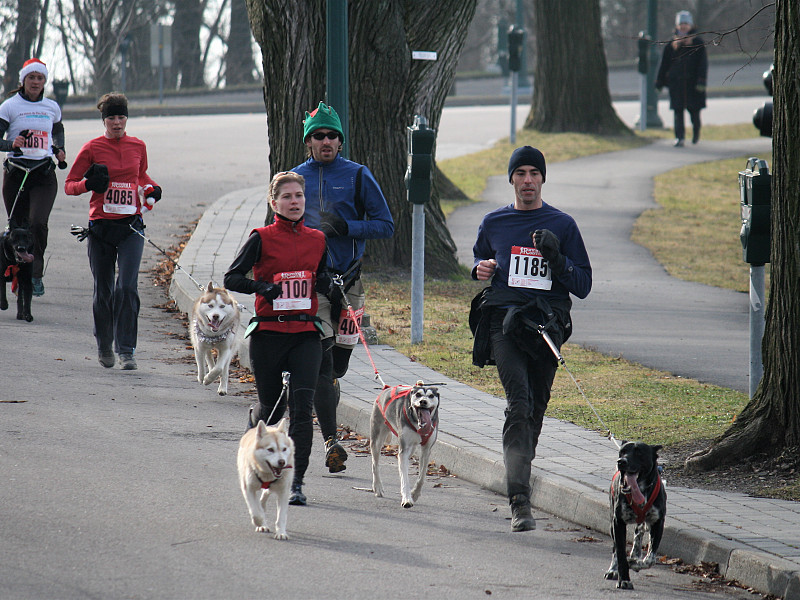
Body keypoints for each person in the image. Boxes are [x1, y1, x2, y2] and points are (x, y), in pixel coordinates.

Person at [469, 146, 592, 532]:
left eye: (533, 173)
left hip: (546, 325)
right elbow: (479, 261)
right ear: (511, 179)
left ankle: (520, 464)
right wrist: (480, 268)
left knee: (537, 403)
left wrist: (557, 258)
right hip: (504, 323)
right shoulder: (495, 222)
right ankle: (519, 498)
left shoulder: (563, 224)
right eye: (519, 173)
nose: (527, 180)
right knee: (518, 401)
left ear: (542, 179)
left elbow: (583, 285)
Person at [292, 101, 394, 473]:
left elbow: (386, 225)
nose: (326, 141)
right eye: (318, 135)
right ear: (308, 141)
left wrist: (346, 227)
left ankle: (315, 393)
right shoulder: (295, 177)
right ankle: (332, 441)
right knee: (319, 361)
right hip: (312, 285)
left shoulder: (357, 174)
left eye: (333, 135)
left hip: (348, 282)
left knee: (338, 367)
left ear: (340, 140)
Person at [224, 171, 331, 507]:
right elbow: (232, 277)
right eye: (287, 197)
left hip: (305, 335)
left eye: (299, 195)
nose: (294, 201)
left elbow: (321, 273)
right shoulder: (261, 237)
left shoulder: (317, 238)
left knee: (301, 411)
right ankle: (254, 438)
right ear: (274, 203)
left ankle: (295, 482)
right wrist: (262, 287)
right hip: (269, 334)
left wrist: (327, 282)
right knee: (271, 410)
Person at [64, 93, 162, 371]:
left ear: (126, 118)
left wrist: (154, 188)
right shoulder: (92, 148)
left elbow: (141, 176)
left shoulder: (138, 145)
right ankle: (104, 344)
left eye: (121, 117)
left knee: (127, 287)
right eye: (111, 118)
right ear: (104, 120)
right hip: (101, 229)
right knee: (104, 291)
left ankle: (127, 350)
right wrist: (88, 184)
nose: (117, 123)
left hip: (131, 226)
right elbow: (70, 184)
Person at [0, 58, 67, 296]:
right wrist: (11, 143)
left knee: (37, 223)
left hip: (43, 173)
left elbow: (57, 131)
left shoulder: (51, 107)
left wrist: (59, 149)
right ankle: (19, 272)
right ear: (23, 80)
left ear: (44, 82)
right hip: (16, 173)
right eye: (32, 78)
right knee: (18, 228)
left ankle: (35, 274)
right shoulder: (10, 106)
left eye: (40, 78)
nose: (36, 82)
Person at [655, 10, 708, 147]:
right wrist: (659, 82)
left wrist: (701, 81)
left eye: (686, 23)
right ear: (677, 26)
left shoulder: (697, 42)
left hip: (693, 84)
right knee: (678, 112)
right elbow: (664, 64)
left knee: (694, 112)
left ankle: (696, 133)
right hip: (676, 84)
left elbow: (703, 64)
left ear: (690, 25)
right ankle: (680, 137)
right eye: (681, 24)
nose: (683, 26)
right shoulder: (671, 44)